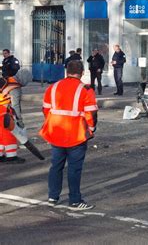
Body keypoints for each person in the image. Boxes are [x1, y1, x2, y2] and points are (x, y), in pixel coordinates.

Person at [40, 60, 98, 210]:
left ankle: (53, 197)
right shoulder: (85, 90)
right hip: (76, 134)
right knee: (74, 169)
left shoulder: (53, 87)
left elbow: (46, 109)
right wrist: (91, 129)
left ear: (66, 71)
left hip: (56, 133)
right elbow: (91, 113)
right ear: (82, 72)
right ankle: (74, 200)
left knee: (56, 166)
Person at [0, 77, 25, 163]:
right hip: (3, 111)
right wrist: (18, 119)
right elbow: (15, 104)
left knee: (1, 135)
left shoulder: (4, 82)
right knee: (9, 134)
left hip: (2, 110)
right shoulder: (12, 84)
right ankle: (11, 156)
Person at [2, 49, 24, 129]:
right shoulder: (5, 61)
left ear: (8, 53)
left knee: (15, 104)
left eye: (5, 53)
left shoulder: (13, 60)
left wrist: (9, 72)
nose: (4, 55)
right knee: (8, 103)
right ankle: (11, 121)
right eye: (3, 53)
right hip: (7, 84)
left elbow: (16, 69)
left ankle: (20, 123)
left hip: (14, 85)